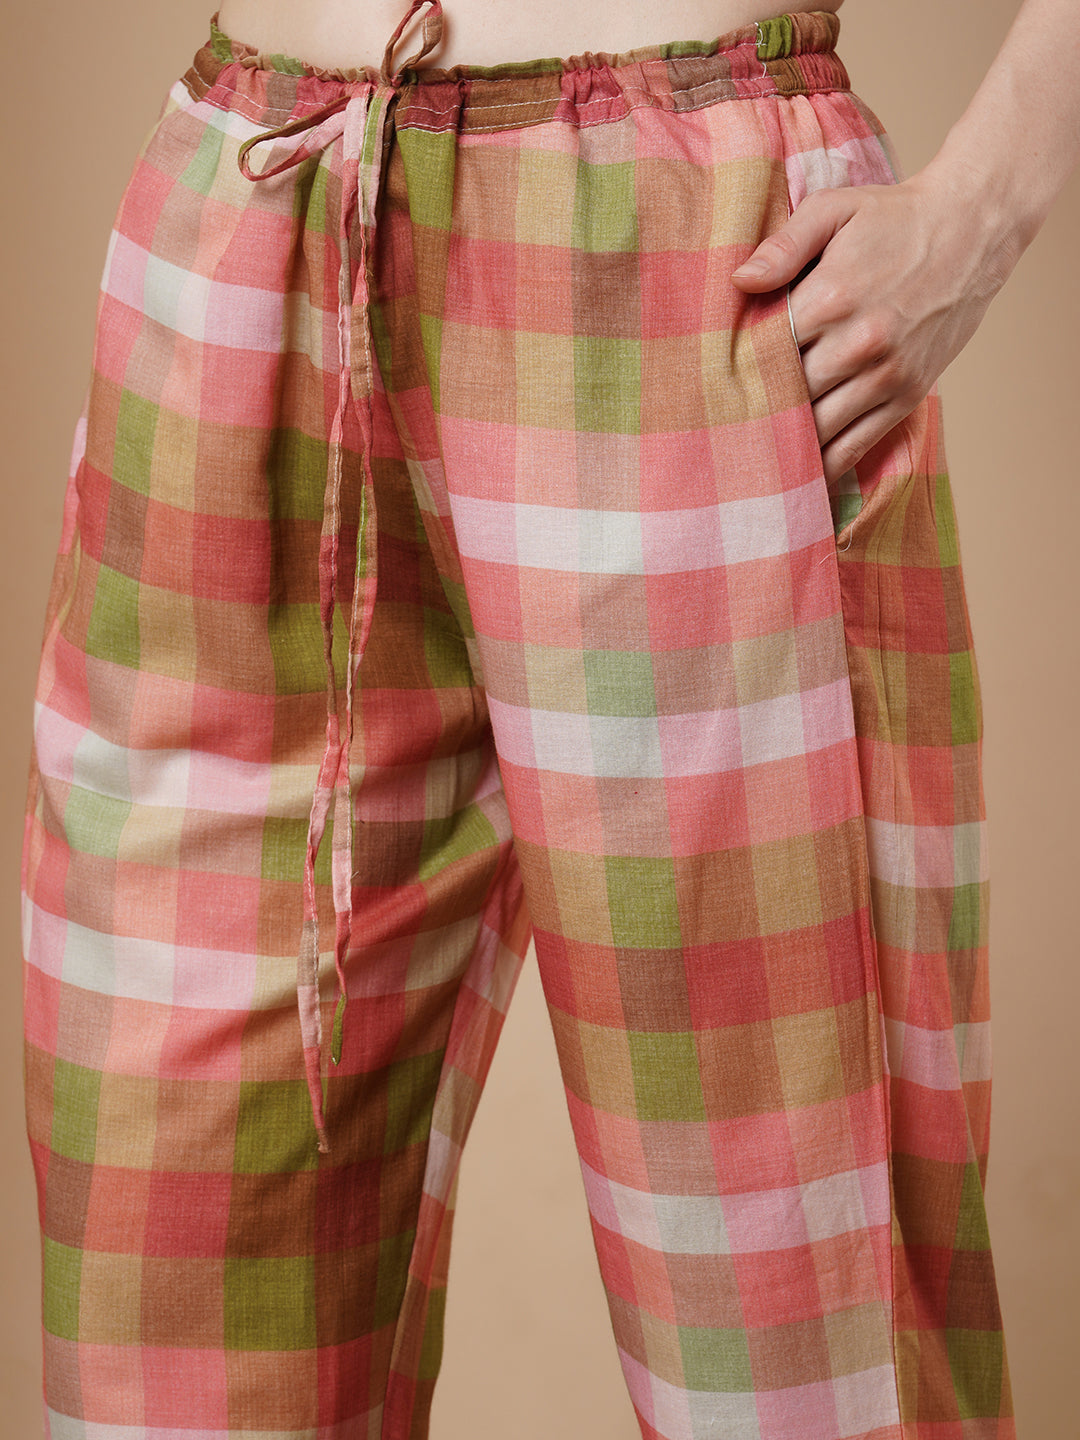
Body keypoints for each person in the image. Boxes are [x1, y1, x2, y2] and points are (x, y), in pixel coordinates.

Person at [19, 1, 1077, 1436]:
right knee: (165, 1305)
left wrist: (987, 203)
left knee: (795, 1340)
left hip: (684, 250)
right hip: (249, 220)